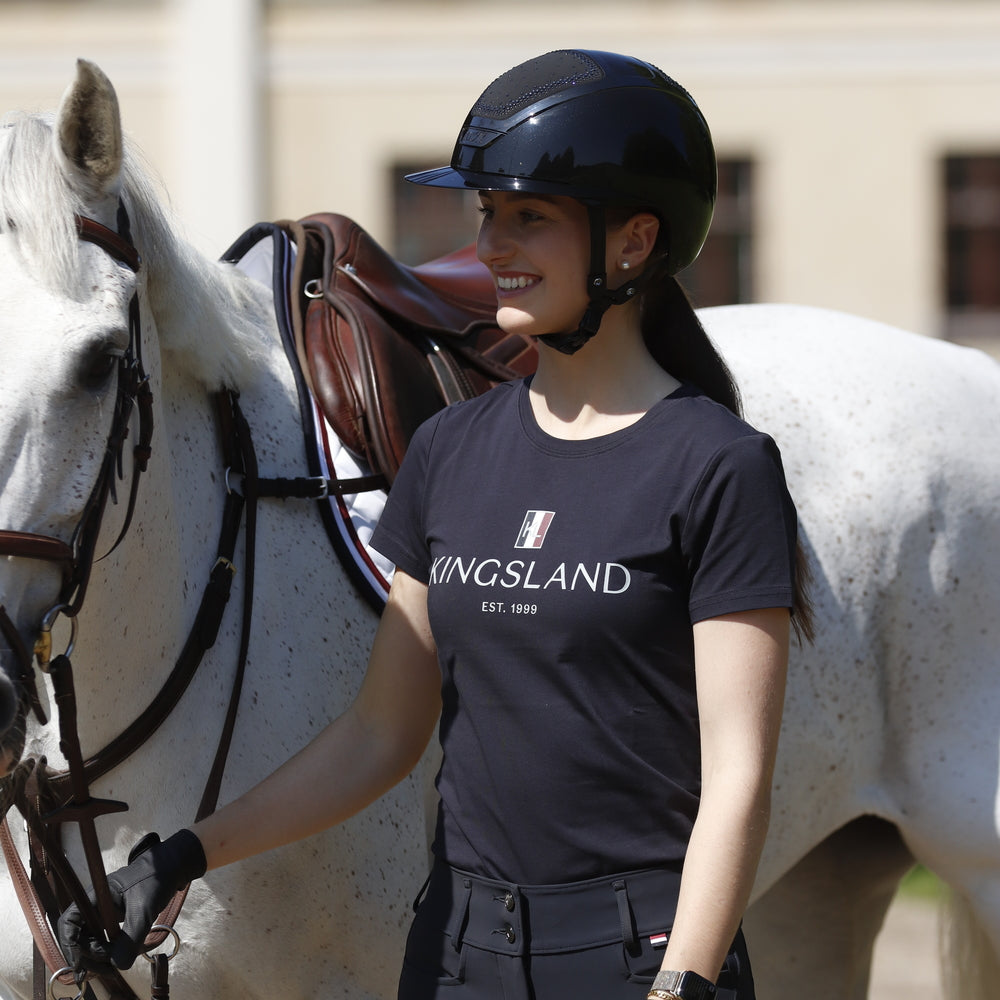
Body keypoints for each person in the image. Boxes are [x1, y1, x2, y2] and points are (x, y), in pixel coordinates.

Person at [59, 49, 810, 1000]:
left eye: (528, 217)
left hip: (636, 956)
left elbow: (737, 777)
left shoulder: (720, 466)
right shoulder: (452, 450)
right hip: (456, 952)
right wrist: (186, 854)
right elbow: (381, 734)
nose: (491, 244)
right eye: (488, 214)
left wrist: (683, 982)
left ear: (632, 243)